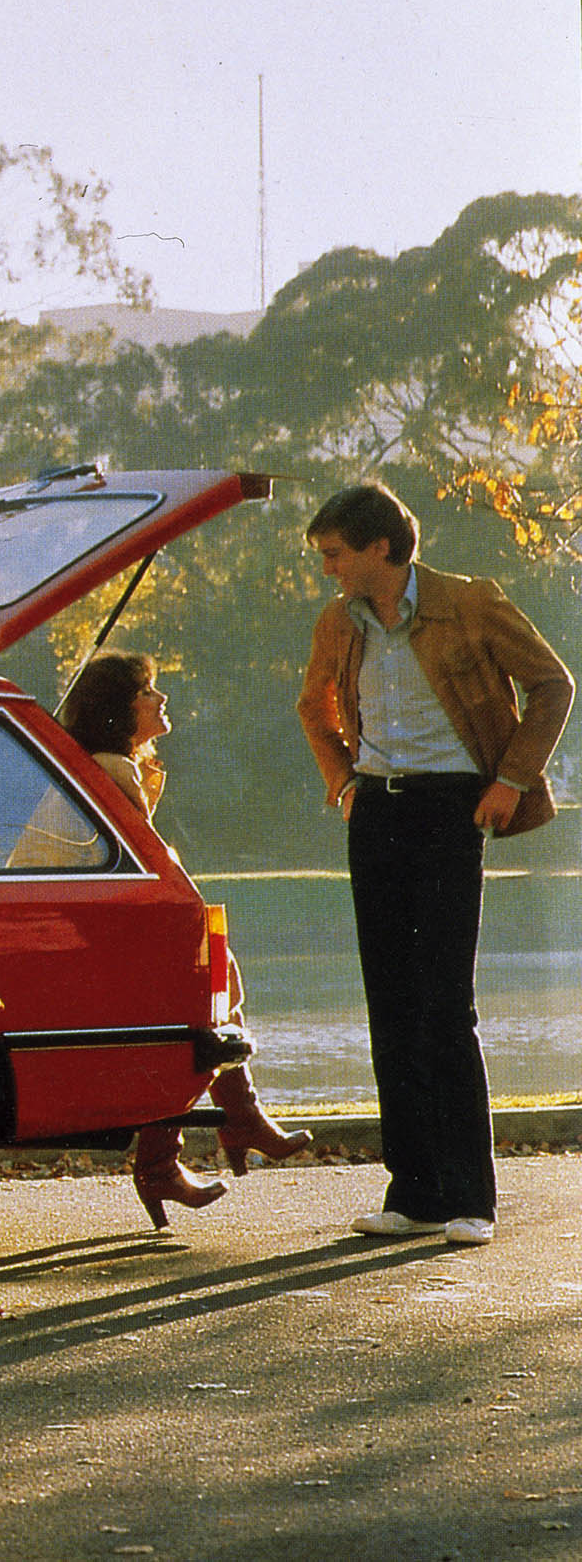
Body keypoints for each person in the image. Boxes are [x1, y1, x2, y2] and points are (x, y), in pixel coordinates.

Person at [297, 482, 572, 1248]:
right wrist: (343, 781)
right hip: (377, 809)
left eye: (335, 554)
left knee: (445, 1004)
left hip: (454, 808)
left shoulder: (470, 602)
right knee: (390, 1000)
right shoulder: (339, 622)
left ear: (380, 547)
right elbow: (312, 706)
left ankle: (471, 1197)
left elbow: (553, 684)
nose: (328, 569)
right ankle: (412, 1191)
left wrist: (511, 781)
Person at [61, 651, 312, 1231]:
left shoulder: (101, 766)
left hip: (84, 939)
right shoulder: (112, 772)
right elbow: (149, 874)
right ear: (120, 710)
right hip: (86, 948)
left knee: (209, 986)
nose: (160, 698)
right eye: (148, 691)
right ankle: (212, 1135)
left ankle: (200, 1142)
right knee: (199, 1000)